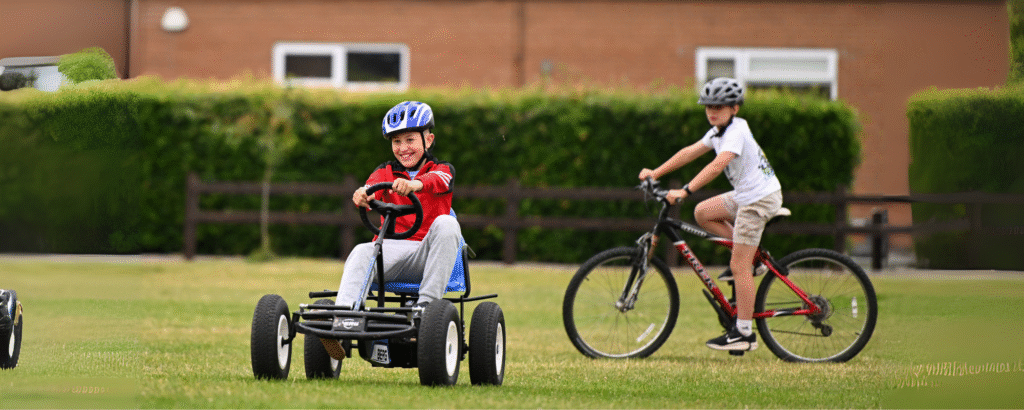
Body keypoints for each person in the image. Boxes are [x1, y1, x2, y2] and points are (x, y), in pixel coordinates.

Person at [639, 77, 782, 352]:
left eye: (719, 106)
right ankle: (753, 258)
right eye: (707, 106)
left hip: (759, 199)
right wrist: (655, 172)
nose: (712, 111)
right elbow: (690, 152)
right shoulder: (718, 131)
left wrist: (684, 190)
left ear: (735, 109)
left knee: (738, 267)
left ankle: (743, 333)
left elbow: (717, 166)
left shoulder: (736, 132)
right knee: (704, 212)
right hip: (747, 195)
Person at [334, 101, 462, 314]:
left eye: (410, 139)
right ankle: (344, 316)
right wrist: (363, 195)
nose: (403, 148)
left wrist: (414, 185)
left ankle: (425, 307)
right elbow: (371, 188)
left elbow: (438, 180)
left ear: (428, 140)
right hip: (390, 251)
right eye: (396, 141)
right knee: (360, 251)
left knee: (448, 223)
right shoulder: (386, 171)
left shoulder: (442, 169)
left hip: (427, 254)